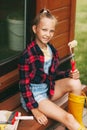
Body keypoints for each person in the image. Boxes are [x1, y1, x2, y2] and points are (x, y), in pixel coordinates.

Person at [18, 9, 87, 130]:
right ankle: (73, 123)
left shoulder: (51, 49)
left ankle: (77, 123)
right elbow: (24, 85)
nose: (48, 34)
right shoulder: (28, 54)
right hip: (34, 95)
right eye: (44, 29)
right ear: (35, 29)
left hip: (48, 88)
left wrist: (68, 74)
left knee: (75, 83)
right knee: (68, 118)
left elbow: (53, 74)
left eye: (51, 31)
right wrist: (34, 109)